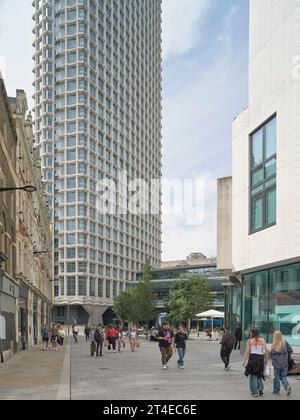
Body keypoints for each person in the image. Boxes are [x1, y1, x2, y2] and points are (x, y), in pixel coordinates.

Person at [244, 328, 268, 398]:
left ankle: (254, 392)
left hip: (253, 359)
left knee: (253, 375)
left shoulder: (250, 341)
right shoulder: (262, 340)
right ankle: (260, 389)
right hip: (260, 359)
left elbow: (247, 351)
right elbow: (265, 352)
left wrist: (244, 361)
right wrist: (266, 361)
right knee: (259, 374)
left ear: (252, 333)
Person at [270, 331, 292, 396]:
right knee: (283, 376)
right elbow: (290, 350)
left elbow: (271, 354)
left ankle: (276, 391)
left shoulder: (273, 344)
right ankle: (287, 386)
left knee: (276, 377)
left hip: (276, 364)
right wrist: (286, 357)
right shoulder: (285, 342)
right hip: (284, 363)